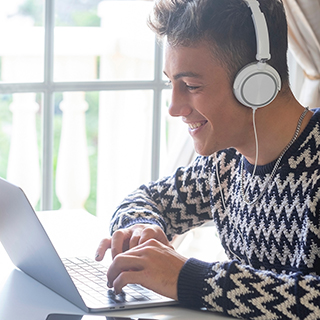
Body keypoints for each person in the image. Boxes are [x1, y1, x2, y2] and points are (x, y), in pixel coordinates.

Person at [95, 0, 320, 318]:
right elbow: (146, 198)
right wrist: (141, 227)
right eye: (170, 83)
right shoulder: (227, 162)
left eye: (191, 86)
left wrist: (187, 278)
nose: (173, 107)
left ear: (256, 84)